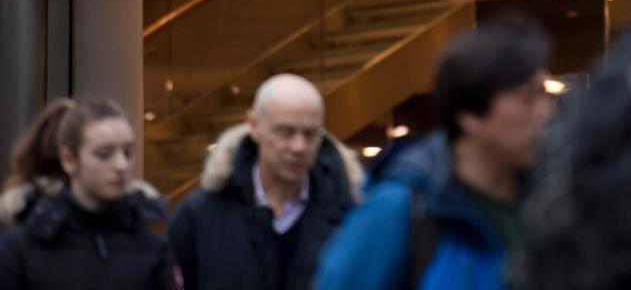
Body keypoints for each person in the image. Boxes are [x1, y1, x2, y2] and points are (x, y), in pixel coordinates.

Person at [314, 16, 556, 290]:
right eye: (527, 98)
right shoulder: (404, 210)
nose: (545, 113)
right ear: (470, 113)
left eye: (545, 96)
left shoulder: (549, 210)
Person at [167, 73, 364, 290]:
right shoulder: (200, 214)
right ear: (254, 126)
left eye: (310, 134)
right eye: (285, 132)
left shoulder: (350, 216)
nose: (299, 146)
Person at [0, 97, 177, 290]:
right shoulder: (21, 247)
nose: (121, 165)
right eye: (104, 153)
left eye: (128, 152)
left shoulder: (153, 246)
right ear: (68, 160)